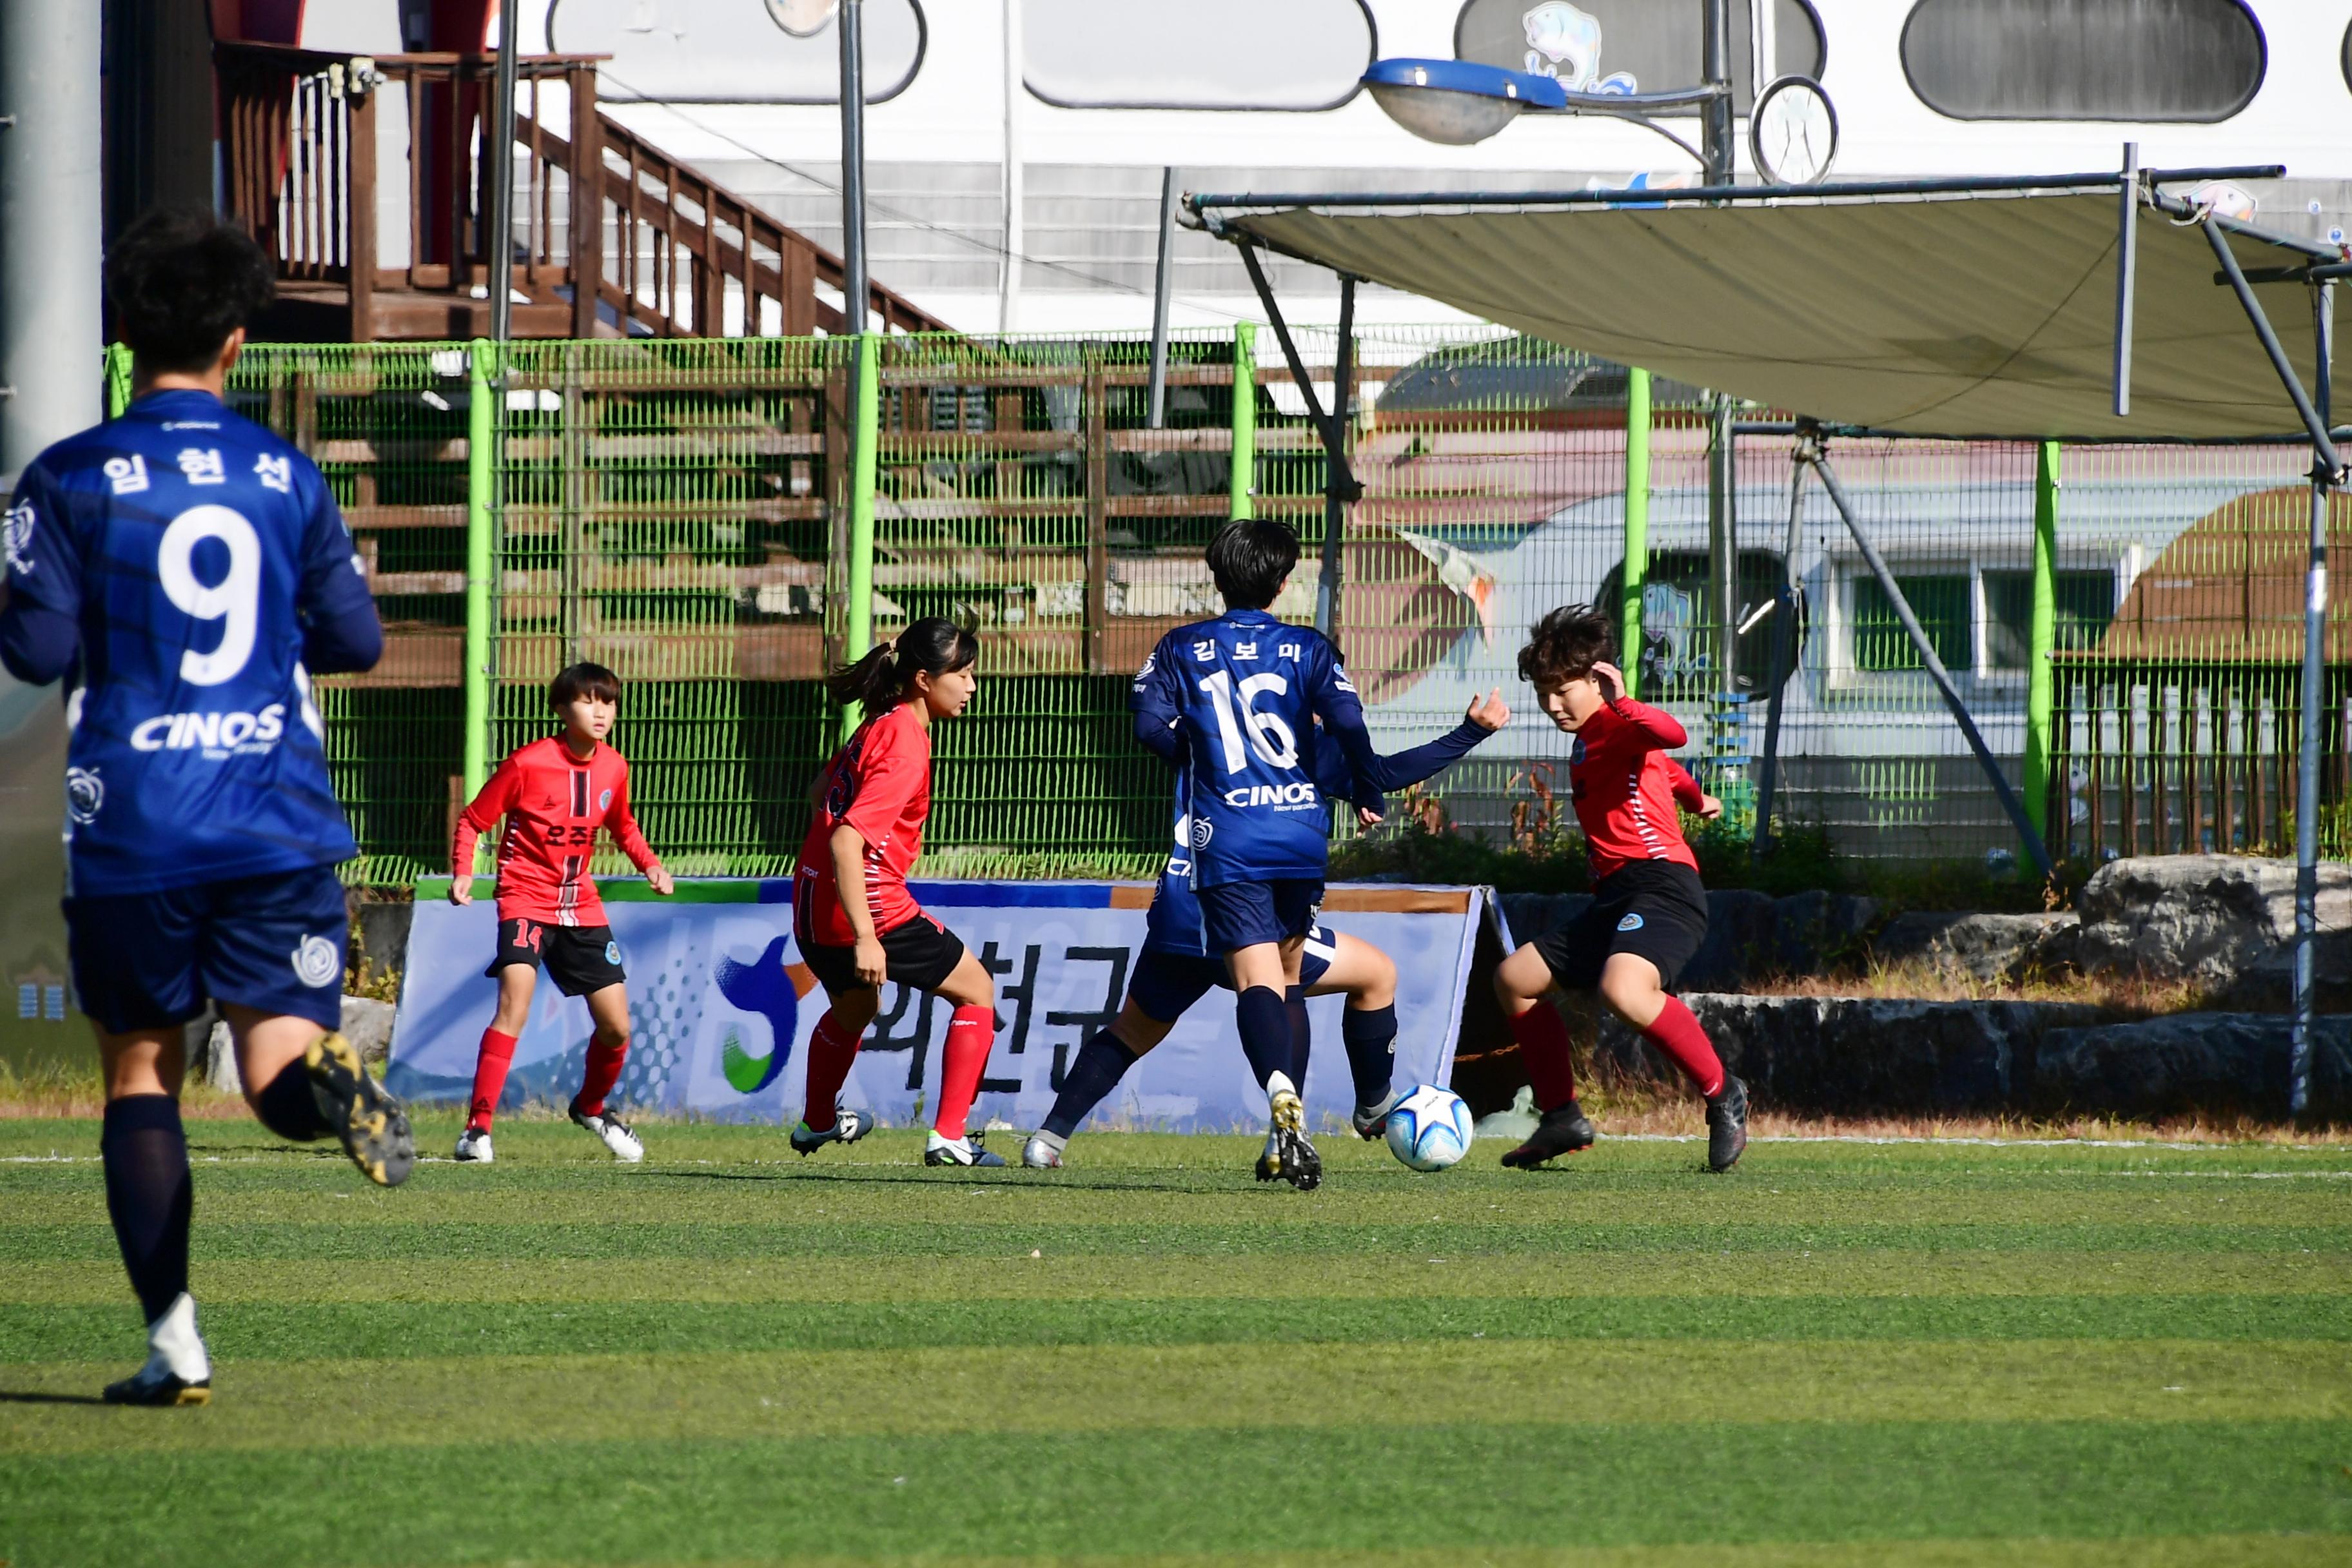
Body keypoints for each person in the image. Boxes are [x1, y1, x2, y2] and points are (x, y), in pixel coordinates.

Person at [0, 208, 411, 1406]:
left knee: (142, 1069)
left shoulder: (70, 475)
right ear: (239, 340)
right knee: (276, 1063)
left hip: (134, 816)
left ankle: (174, 1341)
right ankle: (331, 1078)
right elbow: (357, 640)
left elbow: (31, 649)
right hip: (272, 812)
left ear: (123, 330)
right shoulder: (286, 476)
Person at [1023, 687, 1510, 1175]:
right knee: (1362, 975)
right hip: (1247, 913)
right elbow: (1386, 773)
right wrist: (1472, 731)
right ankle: (1352, 1116)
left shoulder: (1206, 732)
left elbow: (1150, 727)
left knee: (1130, 1031)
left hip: (1180, 913)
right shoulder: (1301, 744)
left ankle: (1047, 1140)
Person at [1124, 518, 1386, 1187]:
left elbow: (1149, 725)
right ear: (1284, 581)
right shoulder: (1309, 647)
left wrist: (1197, 751)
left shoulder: (1181, 645)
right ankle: (1286, 1135)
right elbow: (1350, 722)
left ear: (1217, 575)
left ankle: (1278, 1091)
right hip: (1300, 835)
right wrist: (1368, 780)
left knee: (1257, 980)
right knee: (1290, 975)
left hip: (1229, 836)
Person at [1492, 604, 1749, 1173]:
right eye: (1543, 693)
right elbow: (1661, 765)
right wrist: (1693, 797)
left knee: (1624, 990)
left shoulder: (1618, 719)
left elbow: (1670, 734)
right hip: (1614, 897)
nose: (1552, 704)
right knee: (1514, 980)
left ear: (1598, 678)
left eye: (1563, 689)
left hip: (1663, 888)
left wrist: (1625, 700)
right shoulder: (1589, 738)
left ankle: (1723, 1092)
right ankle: (1561, 1115)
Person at [789, 618, 1006, 1167]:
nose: (972, 685)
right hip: (868, 905)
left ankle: (817, 1123)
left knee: (856, 1007)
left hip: (811, 905)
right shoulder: (907, 741)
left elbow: (820, 793)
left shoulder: (877, 723)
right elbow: (846, 839)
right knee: (977, 991)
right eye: (964, 673)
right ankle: (949, 1137)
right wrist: (867, 934)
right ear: (926, 680)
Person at [447, 662, 674, 1164]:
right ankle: (477, 1130)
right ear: (560, 708)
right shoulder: (528, 763)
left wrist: (651, 865)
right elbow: (473, 820)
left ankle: (592, 1108)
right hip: (525, 898)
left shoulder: (614, 767)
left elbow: (624, 827)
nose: (600, 710)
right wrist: (464, 871)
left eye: (608, 701)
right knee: (515, 1007)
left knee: (617, 1027)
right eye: (587, 700)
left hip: (581, 904)